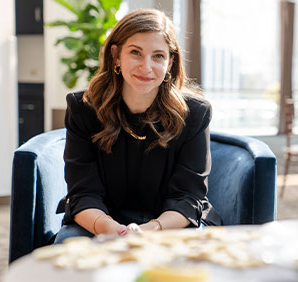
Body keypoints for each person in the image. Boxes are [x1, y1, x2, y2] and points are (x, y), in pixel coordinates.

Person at [54, 9, 222, 243]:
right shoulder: (83, 108)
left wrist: (149, 231)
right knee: (68, 247)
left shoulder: (195, 113)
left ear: (170, 62)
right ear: (116, 55)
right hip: (101, 221)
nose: (147, 67)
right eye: (136, 53)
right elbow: (83, 193)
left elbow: (188, 196)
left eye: (158, 56)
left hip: (171, 224)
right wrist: (114, 230)